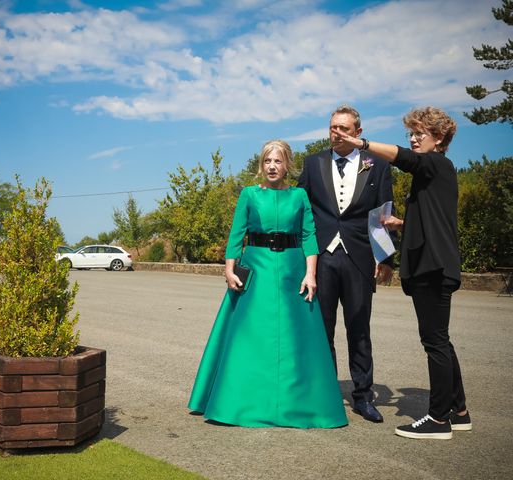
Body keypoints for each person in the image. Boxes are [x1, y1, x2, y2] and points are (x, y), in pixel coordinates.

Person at [331, 106, 470, 440]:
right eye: (412, 132)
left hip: (432, 268)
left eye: (421, 133)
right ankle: (459, 411)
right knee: (442, 341)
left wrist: (360, 144)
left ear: (440, 139)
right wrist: (401, 223)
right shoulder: (436, 174)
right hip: (435, 264)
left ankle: (438, 420)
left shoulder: (435, 163)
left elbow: (402, 157)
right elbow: (435, 221)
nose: (414, 138)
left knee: (434, 342)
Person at [188, 140, 347, 429]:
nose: (272, 166)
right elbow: (237, 234)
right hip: (257, 269)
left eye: (277, 161)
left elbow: (309, 237)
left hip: (292, 269)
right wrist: (229, 268)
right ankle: (238, 402)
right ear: (261, 166)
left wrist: (310, 274)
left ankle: (300, 404)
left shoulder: (299, 196)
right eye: (266, 162)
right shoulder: (249, 194)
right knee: (248, 337)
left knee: (295, 339)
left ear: (287, 165)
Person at [298, 105, 394, 423]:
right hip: (322, 257)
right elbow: (299, 208)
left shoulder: (376, 166)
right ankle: (323, 393)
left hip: (359, 256)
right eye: (333, 127)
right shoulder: (313, 164)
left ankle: (363, 397)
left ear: (358, 133)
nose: (337, 133)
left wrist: (385, 258)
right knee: (321, 329)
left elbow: (383, 215)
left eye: (344, 128)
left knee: (359, 330)